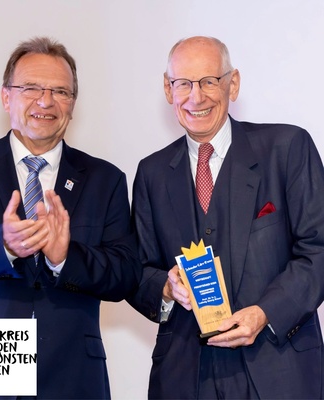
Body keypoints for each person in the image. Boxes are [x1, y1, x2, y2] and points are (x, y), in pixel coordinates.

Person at [0, 36, 141, 400]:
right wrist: (2, 245)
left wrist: (66, 257)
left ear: (73, 104)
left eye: (61, 91)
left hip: (71, 372)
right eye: (31, 88)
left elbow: (126, 274)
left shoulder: (106, 179)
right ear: (6, 97)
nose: (46, 101)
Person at [128, 36, 324, 399]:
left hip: (278, 372)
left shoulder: (287, 148)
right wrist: (166, 288)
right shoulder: (151, 173)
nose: (196, 97)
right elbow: (137, 271)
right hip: (185, 378)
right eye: (183, 83)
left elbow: (318, 250)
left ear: (232, 84)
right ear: (168, 89)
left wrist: (265, 313)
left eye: (209, 81)